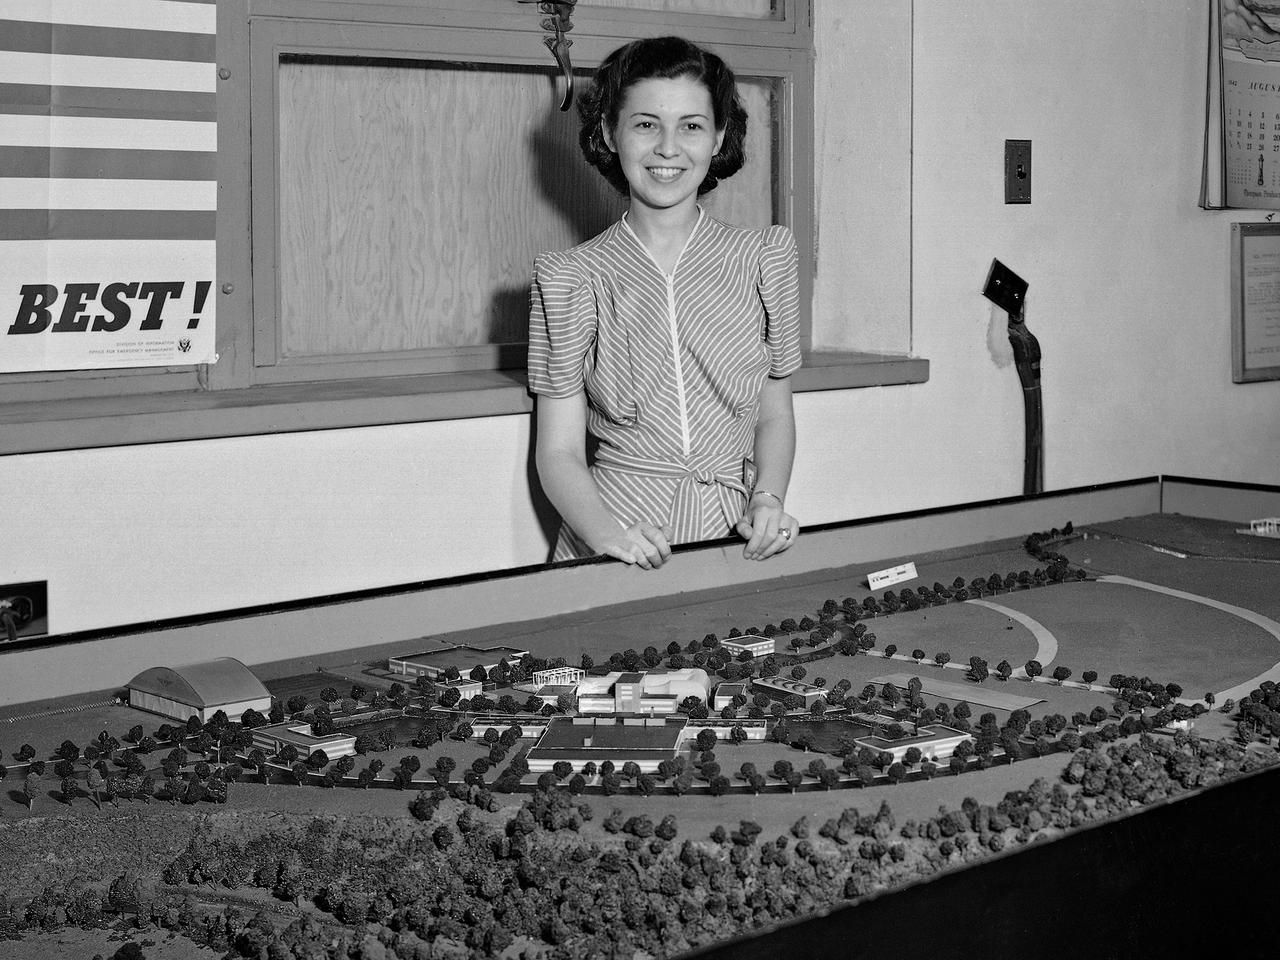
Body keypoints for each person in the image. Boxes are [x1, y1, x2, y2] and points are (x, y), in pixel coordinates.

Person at [528, 36, 801, 570]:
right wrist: (607, 536)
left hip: (733, 533)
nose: (669, 148)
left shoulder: (763, 260)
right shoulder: (572, 278)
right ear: (610, 131)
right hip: (614, 532)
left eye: (692, 125)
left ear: (718, 135)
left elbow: (775, 413)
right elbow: (558, 452)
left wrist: (768, 500)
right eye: (646, 123)